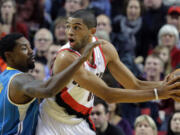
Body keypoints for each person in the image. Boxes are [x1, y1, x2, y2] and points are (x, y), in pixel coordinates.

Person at [36, 9, 180, 135]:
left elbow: (134, 84)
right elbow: (108, 95)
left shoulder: (106, 50)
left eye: (76, 28)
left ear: (92, 31)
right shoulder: (66, 57)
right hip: (52, 119)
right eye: (68, 27)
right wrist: (159, 93)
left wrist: (166, 85)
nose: (70, 32)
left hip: (78, 121)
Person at [0, 33, 99, 135]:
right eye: (24, 48)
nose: (31, 51)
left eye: (30, 47)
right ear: (9, 55)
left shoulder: (3, 78)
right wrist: (80, 60)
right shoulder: (21, 79)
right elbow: (48, 90)